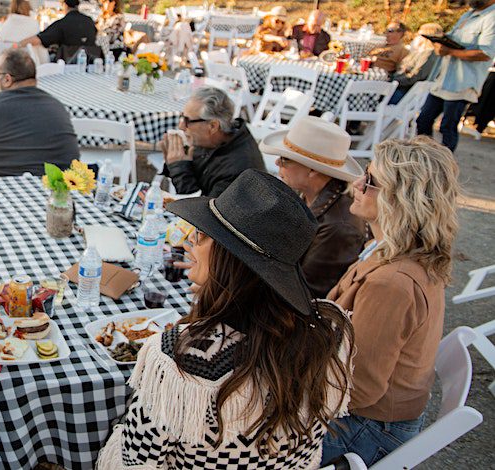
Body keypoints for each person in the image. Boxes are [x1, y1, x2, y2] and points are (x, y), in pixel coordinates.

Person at [97, 169, 352, 469]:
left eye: (204, 236)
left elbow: (131, 463)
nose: (191, 240)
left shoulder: (181, 357)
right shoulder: (331, 331)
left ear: (227, 260)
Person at [320, 136, 460, 466]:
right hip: (378, 417)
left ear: (399, 199)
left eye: (369, 180)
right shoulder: (401, 249)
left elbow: (360, 390)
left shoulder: (392, 283)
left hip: (369, 428)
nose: (356, 183)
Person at [260, 116, 369, 298]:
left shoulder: (339, 227)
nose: (278, 163)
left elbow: (305, 292)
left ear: (312, 170)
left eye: (285, 159)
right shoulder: (308, 195)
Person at [416, 0, 495, 152]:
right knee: (423, 120)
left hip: (463, 83)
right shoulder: (467, 15)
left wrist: (451, 52)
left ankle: (444, 168)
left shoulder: (491, 17)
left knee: (447, 127)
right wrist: (439, 43)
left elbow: (485, 53)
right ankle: (426, 158)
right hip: (443, 79)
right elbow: (451, 39)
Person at [159, 86, 264, 197]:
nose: (181, 126)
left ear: (213, 126)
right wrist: (175, 161)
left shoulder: (237, 171)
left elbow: (202, 211)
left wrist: (178, 167)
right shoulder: (210, 140)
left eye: (188, 120)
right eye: (182, 117)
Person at [20, 0, 100, 63]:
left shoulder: (62, 23)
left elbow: (39, 39)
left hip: (67, 65)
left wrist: (18, 44)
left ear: (65, 5)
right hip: (92, 63)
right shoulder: (89, 21)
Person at [388, 23, 444, 104]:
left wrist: (393, 80)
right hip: (403, 88)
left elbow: (415, 77)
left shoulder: (429, 55)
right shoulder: (421, 52)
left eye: (419, 36)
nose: (416, 38)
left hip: (407, 93)